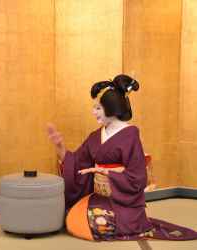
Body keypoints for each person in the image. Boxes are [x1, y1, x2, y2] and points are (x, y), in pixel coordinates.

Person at [47, 74, 197, 241]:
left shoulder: (130, 135)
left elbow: (137, 177)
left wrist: (107, 173)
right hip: (98, 198)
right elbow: (77, 164)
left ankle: (125, 222)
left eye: (98, 108)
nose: (93, 112)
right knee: (73, 220)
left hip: (123, 203)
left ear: (111, 108)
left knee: (98, 224)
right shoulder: (96, 136)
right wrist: (60, 146)